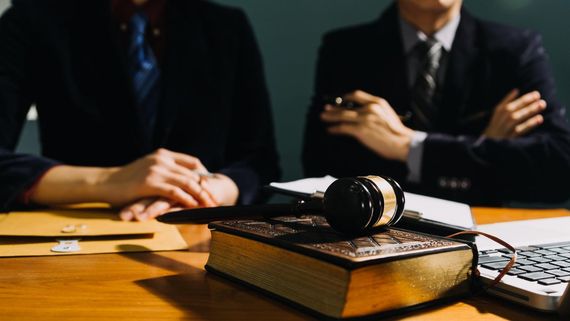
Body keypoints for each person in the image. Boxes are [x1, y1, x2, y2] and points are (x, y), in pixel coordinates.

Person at [0, 0, 280, 219]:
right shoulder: (30, 21)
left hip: (198, 231)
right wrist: (109, 181)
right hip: (74, 231)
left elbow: (260, 160)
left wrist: (213, 190)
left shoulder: (227, 27)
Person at [303, 0, 570, 205]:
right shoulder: (345, 50)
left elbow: (559, 170)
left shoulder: (515, 50)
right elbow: (324, 169)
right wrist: (482, 148)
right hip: (374, 238)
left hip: (480, 238)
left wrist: (408, 147)